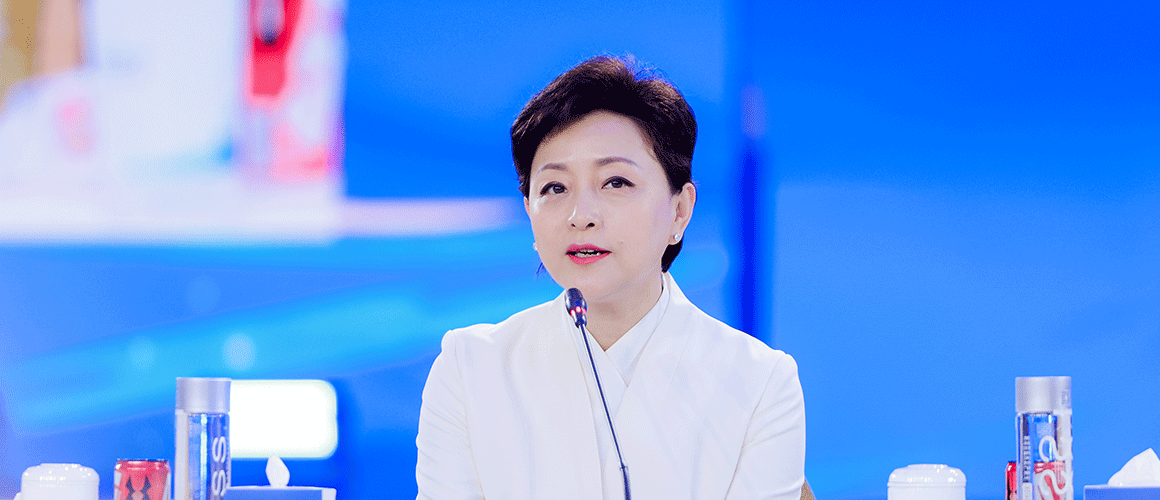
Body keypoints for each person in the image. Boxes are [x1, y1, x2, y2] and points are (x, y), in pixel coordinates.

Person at [415, 55, 805, 500]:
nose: (581, 215)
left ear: (680, 211)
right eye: (555, 188)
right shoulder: (471, 369)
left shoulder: (758, 384)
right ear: (529, 213)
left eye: (615, 182)